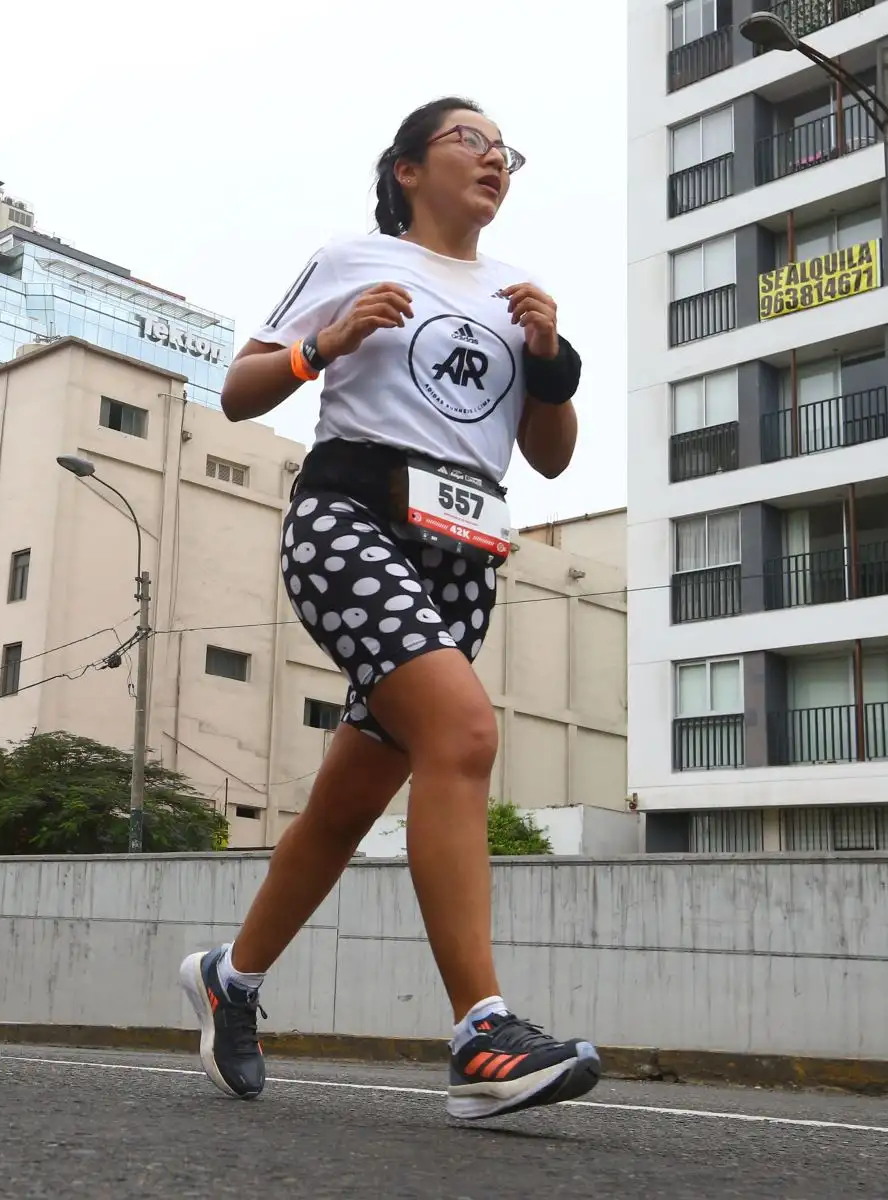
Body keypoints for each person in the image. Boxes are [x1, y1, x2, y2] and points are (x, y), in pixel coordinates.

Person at [178, 98, 597, 1121]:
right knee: (463, 731)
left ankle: (229, 978)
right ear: (407, 168)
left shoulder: (516, 293)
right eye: (471, 140)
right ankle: (480, 1035)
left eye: (508, 150)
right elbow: (238, 393)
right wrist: (326, 341)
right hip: (351, 517)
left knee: (347, 804)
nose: (495, 158)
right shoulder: (352, 257)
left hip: (466, 552)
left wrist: (547, 359)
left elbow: (551, 455)